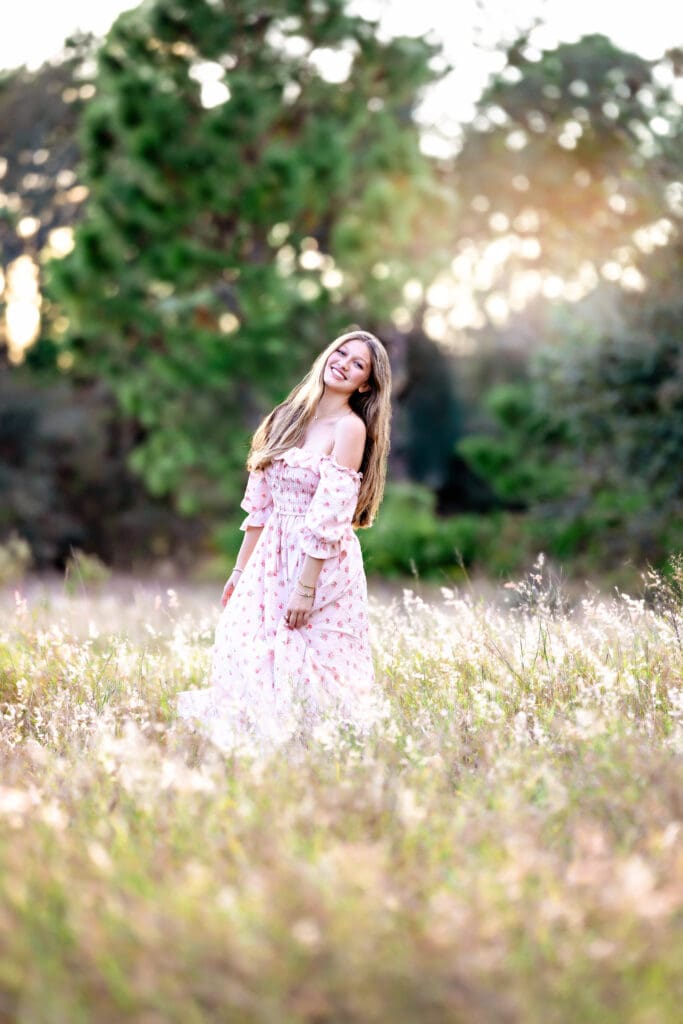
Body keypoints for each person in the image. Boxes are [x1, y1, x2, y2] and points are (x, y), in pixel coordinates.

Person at [176, 329, 392, 751]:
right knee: (245, 644)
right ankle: (259, 751)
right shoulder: (286, 418)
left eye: (358, 365)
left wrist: (305, 587)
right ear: (327, 354)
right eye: (341, 353)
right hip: (270, 557)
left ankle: (317, 754)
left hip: (320, 562)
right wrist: (239, 571)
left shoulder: (350, 429)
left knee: (309, 658)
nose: (343, 364)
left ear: (365, 384)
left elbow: (330, 516)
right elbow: (260, 509)